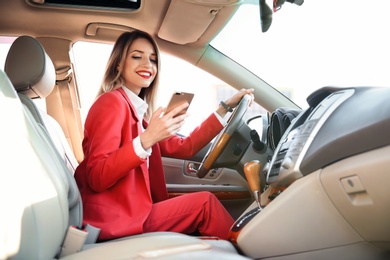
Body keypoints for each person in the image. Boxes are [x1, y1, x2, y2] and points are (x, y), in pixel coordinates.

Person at [74, 30, 254, 242]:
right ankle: (251, 250)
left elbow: (185, 147)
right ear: (118, 64)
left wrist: (224, 108)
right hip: (116, 219)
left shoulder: (137, 113)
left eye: (153, 59)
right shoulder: (111, 103)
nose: (148, 65)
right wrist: (145, 140)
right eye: (136, 56)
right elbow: (97, 176)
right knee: (205, 204)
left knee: (204, 203)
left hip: (136, 212)